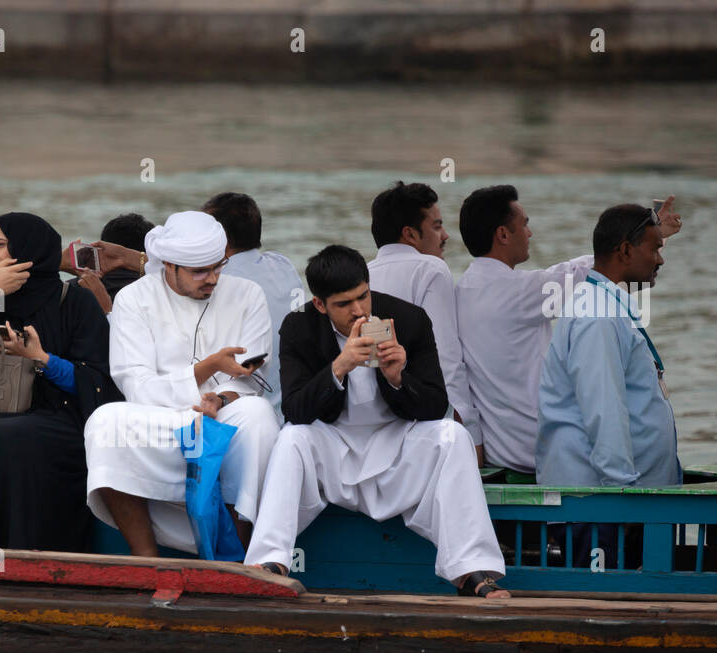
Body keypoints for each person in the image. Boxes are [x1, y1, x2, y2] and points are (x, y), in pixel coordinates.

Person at [245, 245, 508, 598]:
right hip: (334, 447)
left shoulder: (409, 319)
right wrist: (339, 366)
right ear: (320, 304)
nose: (358, 310)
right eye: (343, 304)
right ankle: (270, 563)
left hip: (397, 444)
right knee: (293, 438)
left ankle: (470, 569)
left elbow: (435, 405)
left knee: (452, 435)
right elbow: (295, 409)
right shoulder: (299, 326)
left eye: (363, 297)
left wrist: (398, 377)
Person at [84, 210, 280, 557]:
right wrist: (206, 369)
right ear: (169, 266)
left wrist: (219, 401)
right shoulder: (134, 299)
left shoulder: (248, 295)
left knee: (259, 416)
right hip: (161, 419)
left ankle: (240, 555)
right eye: (200, 271)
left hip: (225, 413)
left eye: (219, 266)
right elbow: (137, 386)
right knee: (105, 422)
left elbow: (251, 380)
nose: (213, 279)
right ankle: (147, 560)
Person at [0, 212, 120, 550]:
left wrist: (39, 359)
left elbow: (97, 384)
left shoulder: (75, 302)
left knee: (16, 440)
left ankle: (25, 553)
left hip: (57, 415)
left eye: (0, 244)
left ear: (29, 249)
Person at [454, 185, 597, 475]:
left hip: (499, 452)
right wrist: (648, 235)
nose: (530, 234)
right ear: (503, 235)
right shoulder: (518, 292)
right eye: (525, 225)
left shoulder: (461, 289)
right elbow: (593, 270)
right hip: (538, 453)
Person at [537, 204, 682, 489]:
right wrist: (621, 495)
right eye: (654, 250)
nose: (660, 261)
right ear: (626, 252)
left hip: (608, 503)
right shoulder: (598, 315)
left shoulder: (605, 305)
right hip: (600, 507)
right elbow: (604, 412)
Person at [367, 181, 480, 459]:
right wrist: (471, 433)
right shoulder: (430, 268)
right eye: (437, 226)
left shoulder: (363, 274)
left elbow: (371, 357)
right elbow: (446, 358)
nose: (445, 236)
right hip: (422, 425)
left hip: (372, 426)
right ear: (410, 234)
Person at [202, 192, 303, 414]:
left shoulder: (215, 283)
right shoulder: (283, 264)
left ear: (223, 240)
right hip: (291, 408)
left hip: (243, 411)